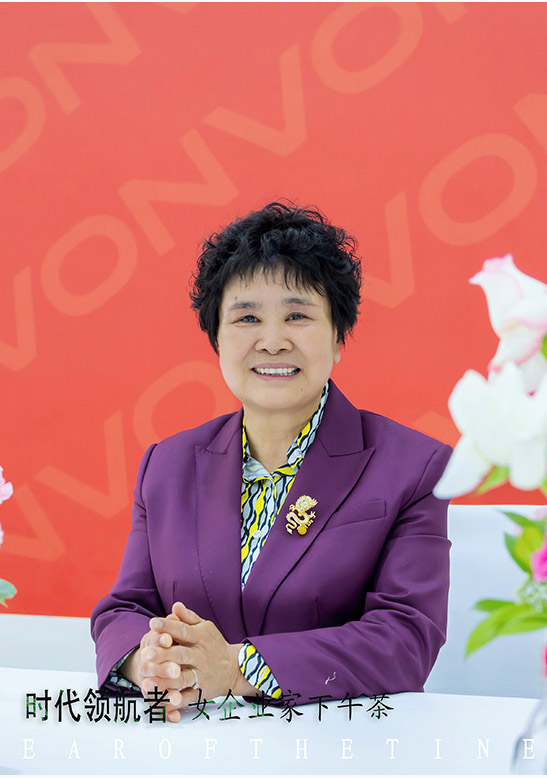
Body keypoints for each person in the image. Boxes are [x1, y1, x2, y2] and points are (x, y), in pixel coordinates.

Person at [91, 201, 452, 723]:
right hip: (188, 743)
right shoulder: (166, 465)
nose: (273, 341)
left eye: (298, 316)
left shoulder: (415, 467)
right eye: (247, 318)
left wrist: (236, 669)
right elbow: (125, 609)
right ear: (216, 338)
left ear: (338, 336)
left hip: (335, 745)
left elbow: (405, 638)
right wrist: (148, 660)